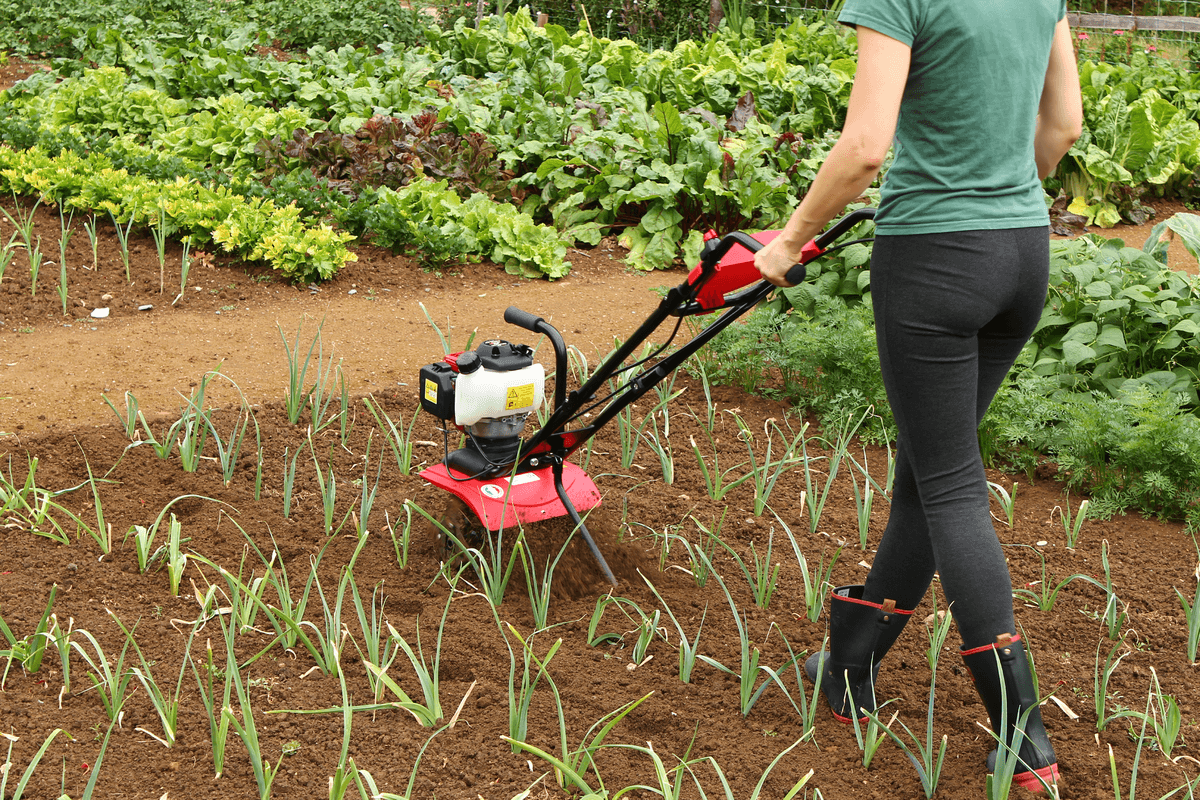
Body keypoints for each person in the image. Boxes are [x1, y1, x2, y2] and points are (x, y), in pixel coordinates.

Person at [754, 0, 1083, 794]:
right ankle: (850, 666)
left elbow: (867, 147)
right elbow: (1063, 127)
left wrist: (789, 239)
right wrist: (1001, 197)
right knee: (930, 471)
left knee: (950, 483)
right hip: (1022, 251)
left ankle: (1024, 737)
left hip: (936, 257)